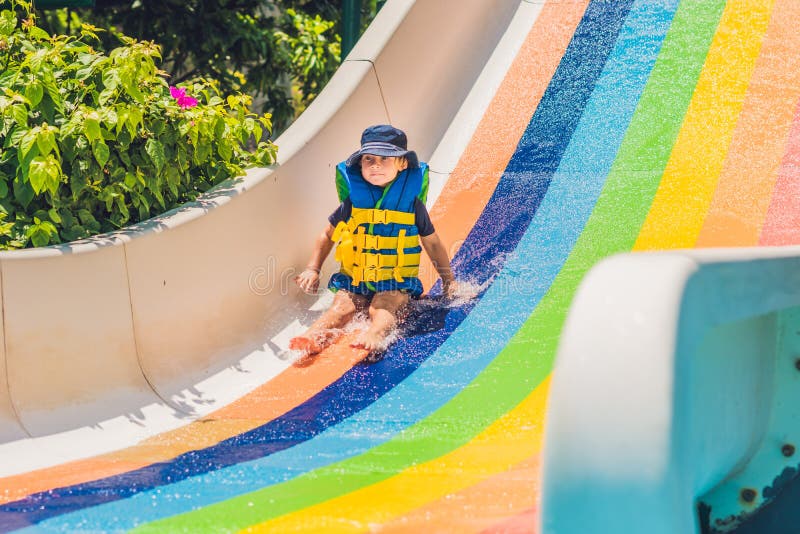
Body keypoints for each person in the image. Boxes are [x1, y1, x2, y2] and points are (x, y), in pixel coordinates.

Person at [290, 124, 457, 355]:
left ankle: (376, 333)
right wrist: (312, 268)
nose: (376, 165)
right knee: (341, 307)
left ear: (403, 164)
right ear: (360, 163)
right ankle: (313, 335)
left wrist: (448, 280)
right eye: (369, 159)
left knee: (384, 306)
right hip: (356, 278)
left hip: (394, 281)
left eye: (385, 159)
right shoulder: (353, 202)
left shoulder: (411, 205)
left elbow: (432, 242)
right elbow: (327, 235)